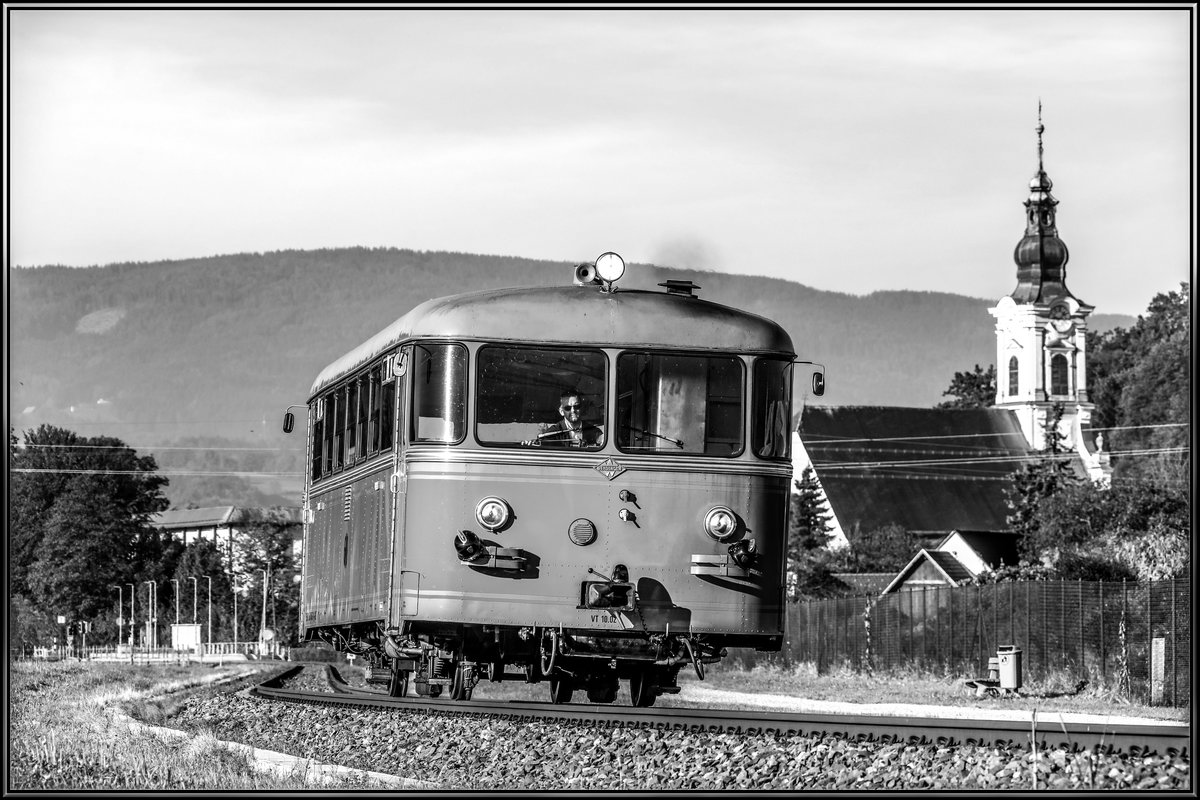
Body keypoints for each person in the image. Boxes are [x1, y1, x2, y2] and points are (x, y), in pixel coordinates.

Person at [522, 389, 605, 448]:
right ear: (561, 411)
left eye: (577, 406)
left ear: (581, 408)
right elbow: (541, 447)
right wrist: (529, 446)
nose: (573, 410)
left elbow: (602, 442)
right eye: (568, 408)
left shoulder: (594, 431)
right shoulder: (552, 434)